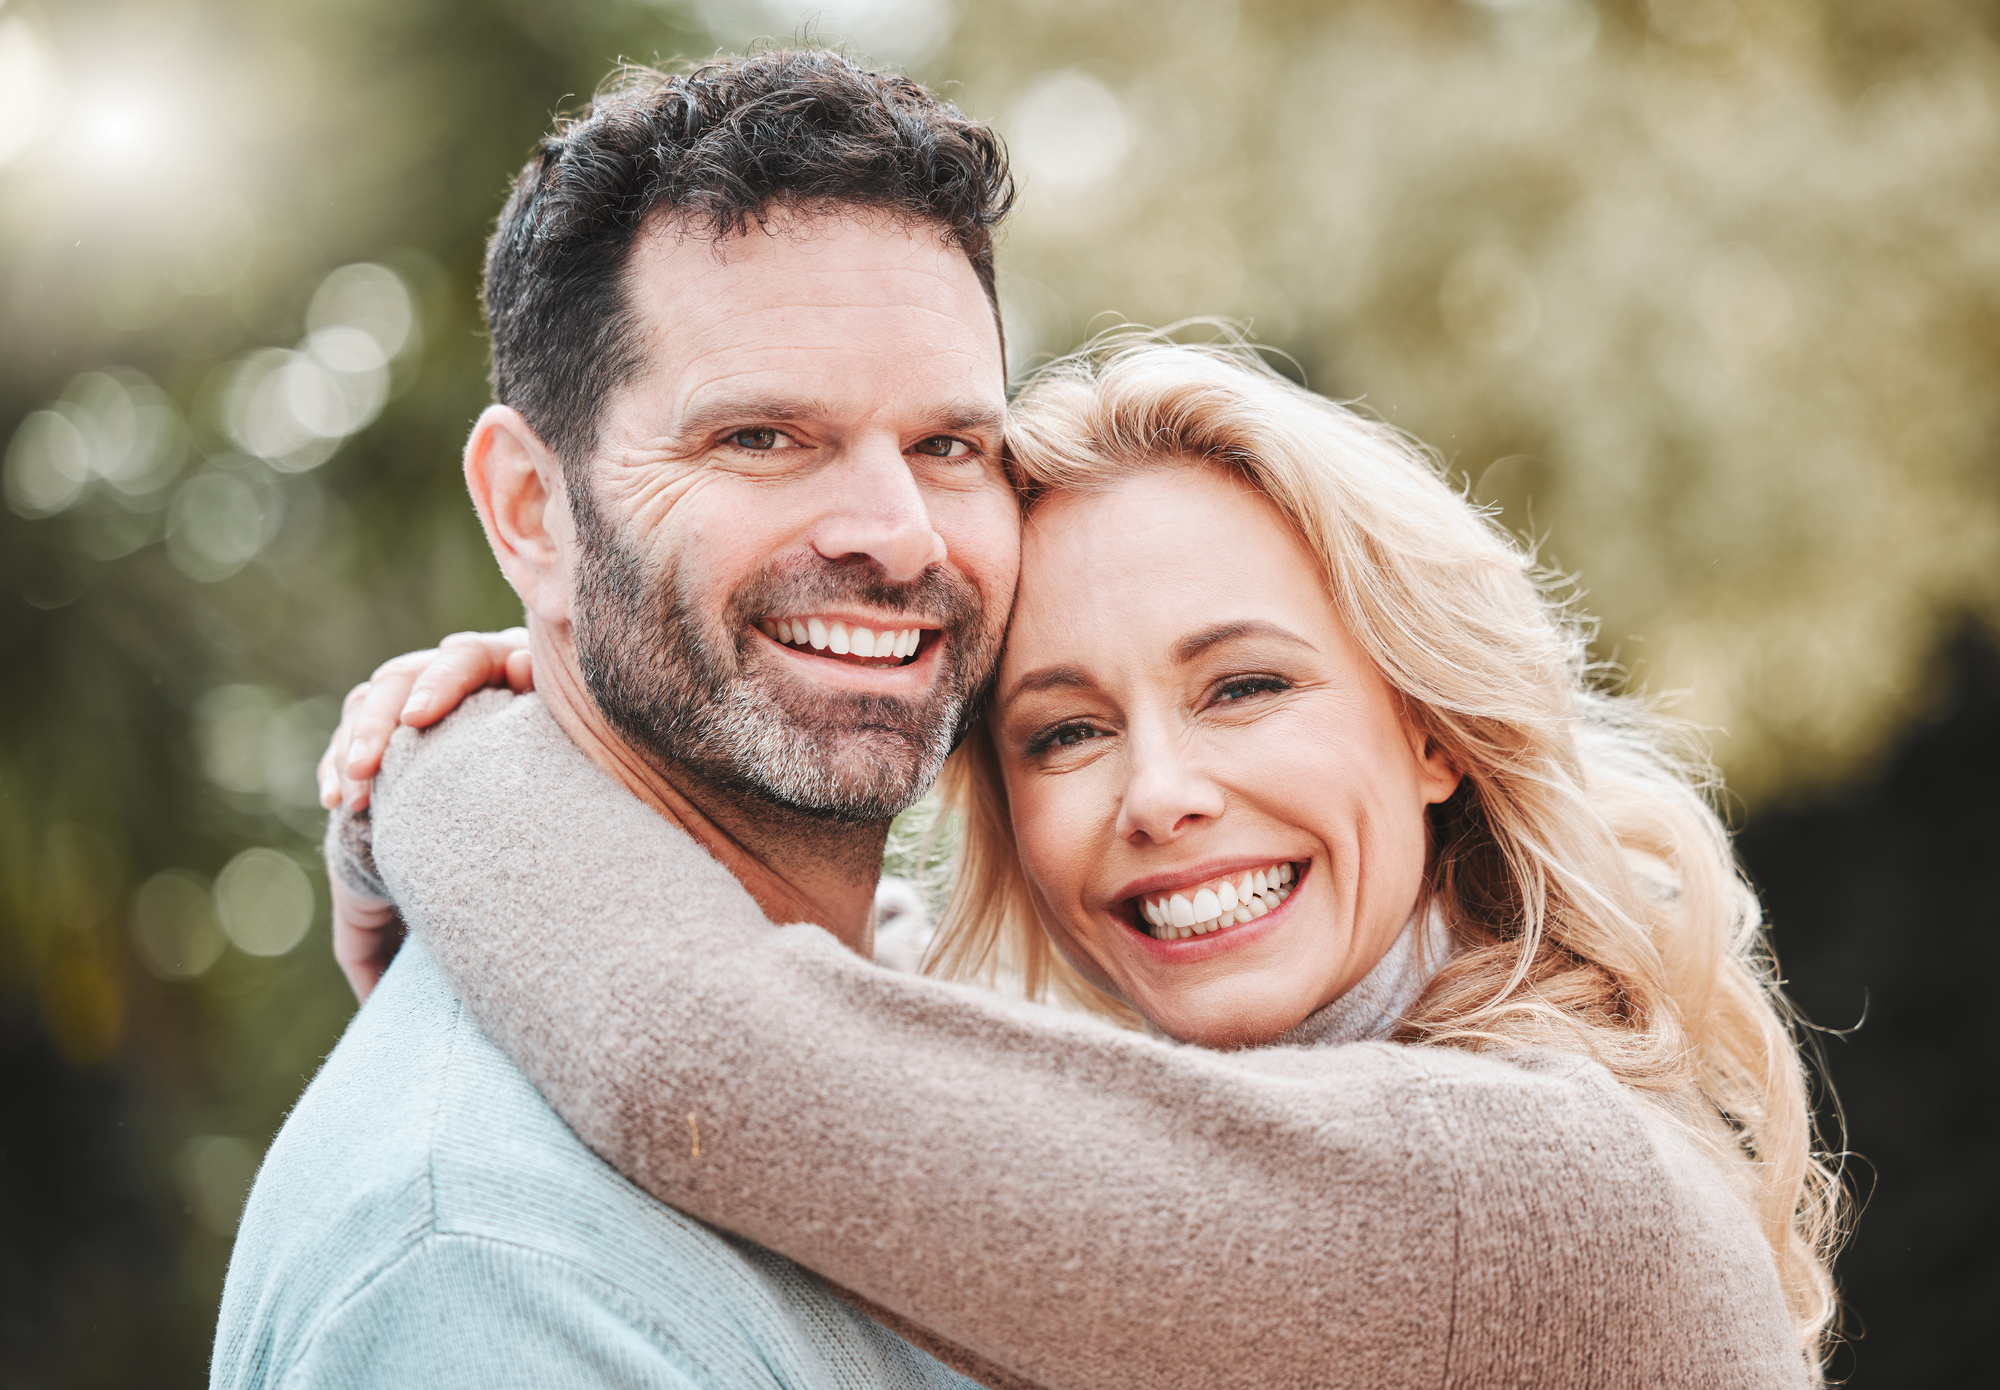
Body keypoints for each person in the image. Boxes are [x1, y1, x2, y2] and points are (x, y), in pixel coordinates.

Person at [325, 341, 1842, 1389]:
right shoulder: (1300, 1143)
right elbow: (902, 1054)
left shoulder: (1524, 1200)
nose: (1163, 795)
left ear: (1431, 728)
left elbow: (710, 1057)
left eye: (1245, 685)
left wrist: (448, 766)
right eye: (1062, 734)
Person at [213, 50, 1031, 1390]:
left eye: (951, 445)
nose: (898, 534)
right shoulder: (495, 1267)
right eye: (762, 437)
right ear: (534, 513)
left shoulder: (943, 1042)